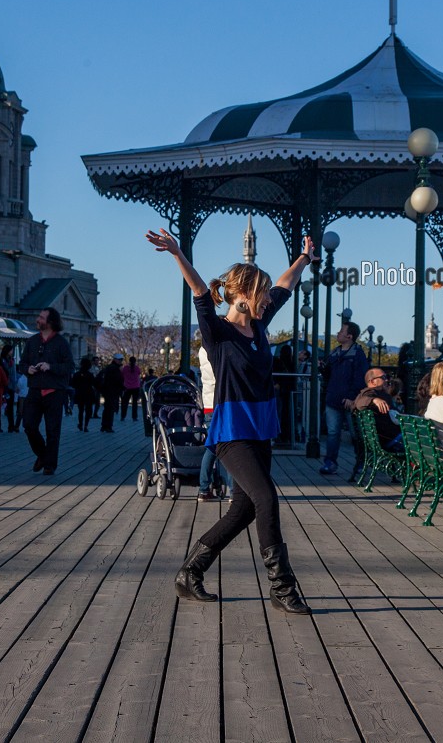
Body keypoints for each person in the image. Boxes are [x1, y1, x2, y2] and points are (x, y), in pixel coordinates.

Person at [150, 226, 315, 615]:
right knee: (266, 498)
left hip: (260, 429)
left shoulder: (258, 323)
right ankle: (283, 587)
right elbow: (201, 294)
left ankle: (190, 573)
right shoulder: (218, 333)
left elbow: (286, 285)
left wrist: (305, 258)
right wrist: (177, 253)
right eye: (259, 294)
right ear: (241, 296)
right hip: (231, 432)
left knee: (243, 509)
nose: (265, 299)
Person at [19, 307, 75, 474]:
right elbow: (22, 363)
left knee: (52, 430)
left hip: (55, 392)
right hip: (35, 390)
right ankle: (43, 455)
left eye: (42, 318)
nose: (38, 320)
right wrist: (27, 369)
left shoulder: (61, 343)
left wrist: (50, 366)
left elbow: (69, 366)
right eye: (39, 316)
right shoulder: (32, 341)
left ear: (51, 322)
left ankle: (50, 465)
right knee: (29, 425)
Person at [319, 321, 370, 477]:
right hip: (333, 399)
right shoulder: (335, 353)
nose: (338, 333)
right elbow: (329, 376)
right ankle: (330, 462)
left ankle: (361, 462)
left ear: (349, 336)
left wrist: (351, 397)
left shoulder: (358, 354)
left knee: (356, 434)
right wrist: (323, 368)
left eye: (341, 331)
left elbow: (360, 378)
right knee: (333, 433)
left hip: (350, 402)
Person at [196, 344, 231, 501]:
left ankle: (204, 489)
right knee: (231, 446)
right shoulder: (221, 349)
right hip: (224, 402)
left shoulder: (203, 350)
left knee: (212, 447)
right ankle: (234, 491)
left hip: (209, 404)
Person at [352, 366, 405, 454]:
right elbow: (359, 403)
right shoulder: (370, 393)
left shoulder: (380, 393)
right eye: (383, 378)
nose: (386, 380)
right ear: (372, 381)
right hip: (390, 439)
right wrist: (374, 400)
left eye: (386, 377)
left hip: (387, 438)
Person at [97, 354, 124, 433]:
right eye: (119, 360)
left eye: (121, 360)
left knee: (107, 408)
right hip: (112, 391)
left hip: (107, 391)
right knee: (110, 409)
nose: (120, 361)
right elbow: (117, 380)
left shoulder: (108, 367)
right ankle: (108, 426)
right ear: (115, 359)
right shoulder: (114, 369)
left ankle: (104, 426)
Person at [70, 356, 97, 432]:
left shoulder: (77, 374)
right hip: (89, 393)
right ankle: (86, 425)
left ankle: (80, 424)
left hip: (79, 393)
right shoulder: (90, 375)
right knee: (88, 410)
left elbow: (72, 384)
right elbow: (94, 383)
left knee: (80, 410)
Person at [0, 343, 19, 432]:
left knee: (10, 407)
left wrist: (15, 386)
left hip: (10, 387)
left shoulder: (11, 360)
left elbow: (14, 375)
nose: (12, 352)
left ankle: (11, 425)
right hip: (3, 386)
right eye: (11, 350)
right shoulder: (2, 361)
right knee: (1, 406)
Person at [120, 355, 143, 421]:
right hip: (136, 387)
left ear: (129, 361)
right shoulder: (137, 368)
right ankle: (134, 417)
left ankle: (123, 416)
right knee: (135, 403)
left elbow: (122, 375)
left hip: (127, 387)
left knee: (125, 403)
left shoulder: (125, 368)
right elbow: (138, 374)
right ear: (135, 361)